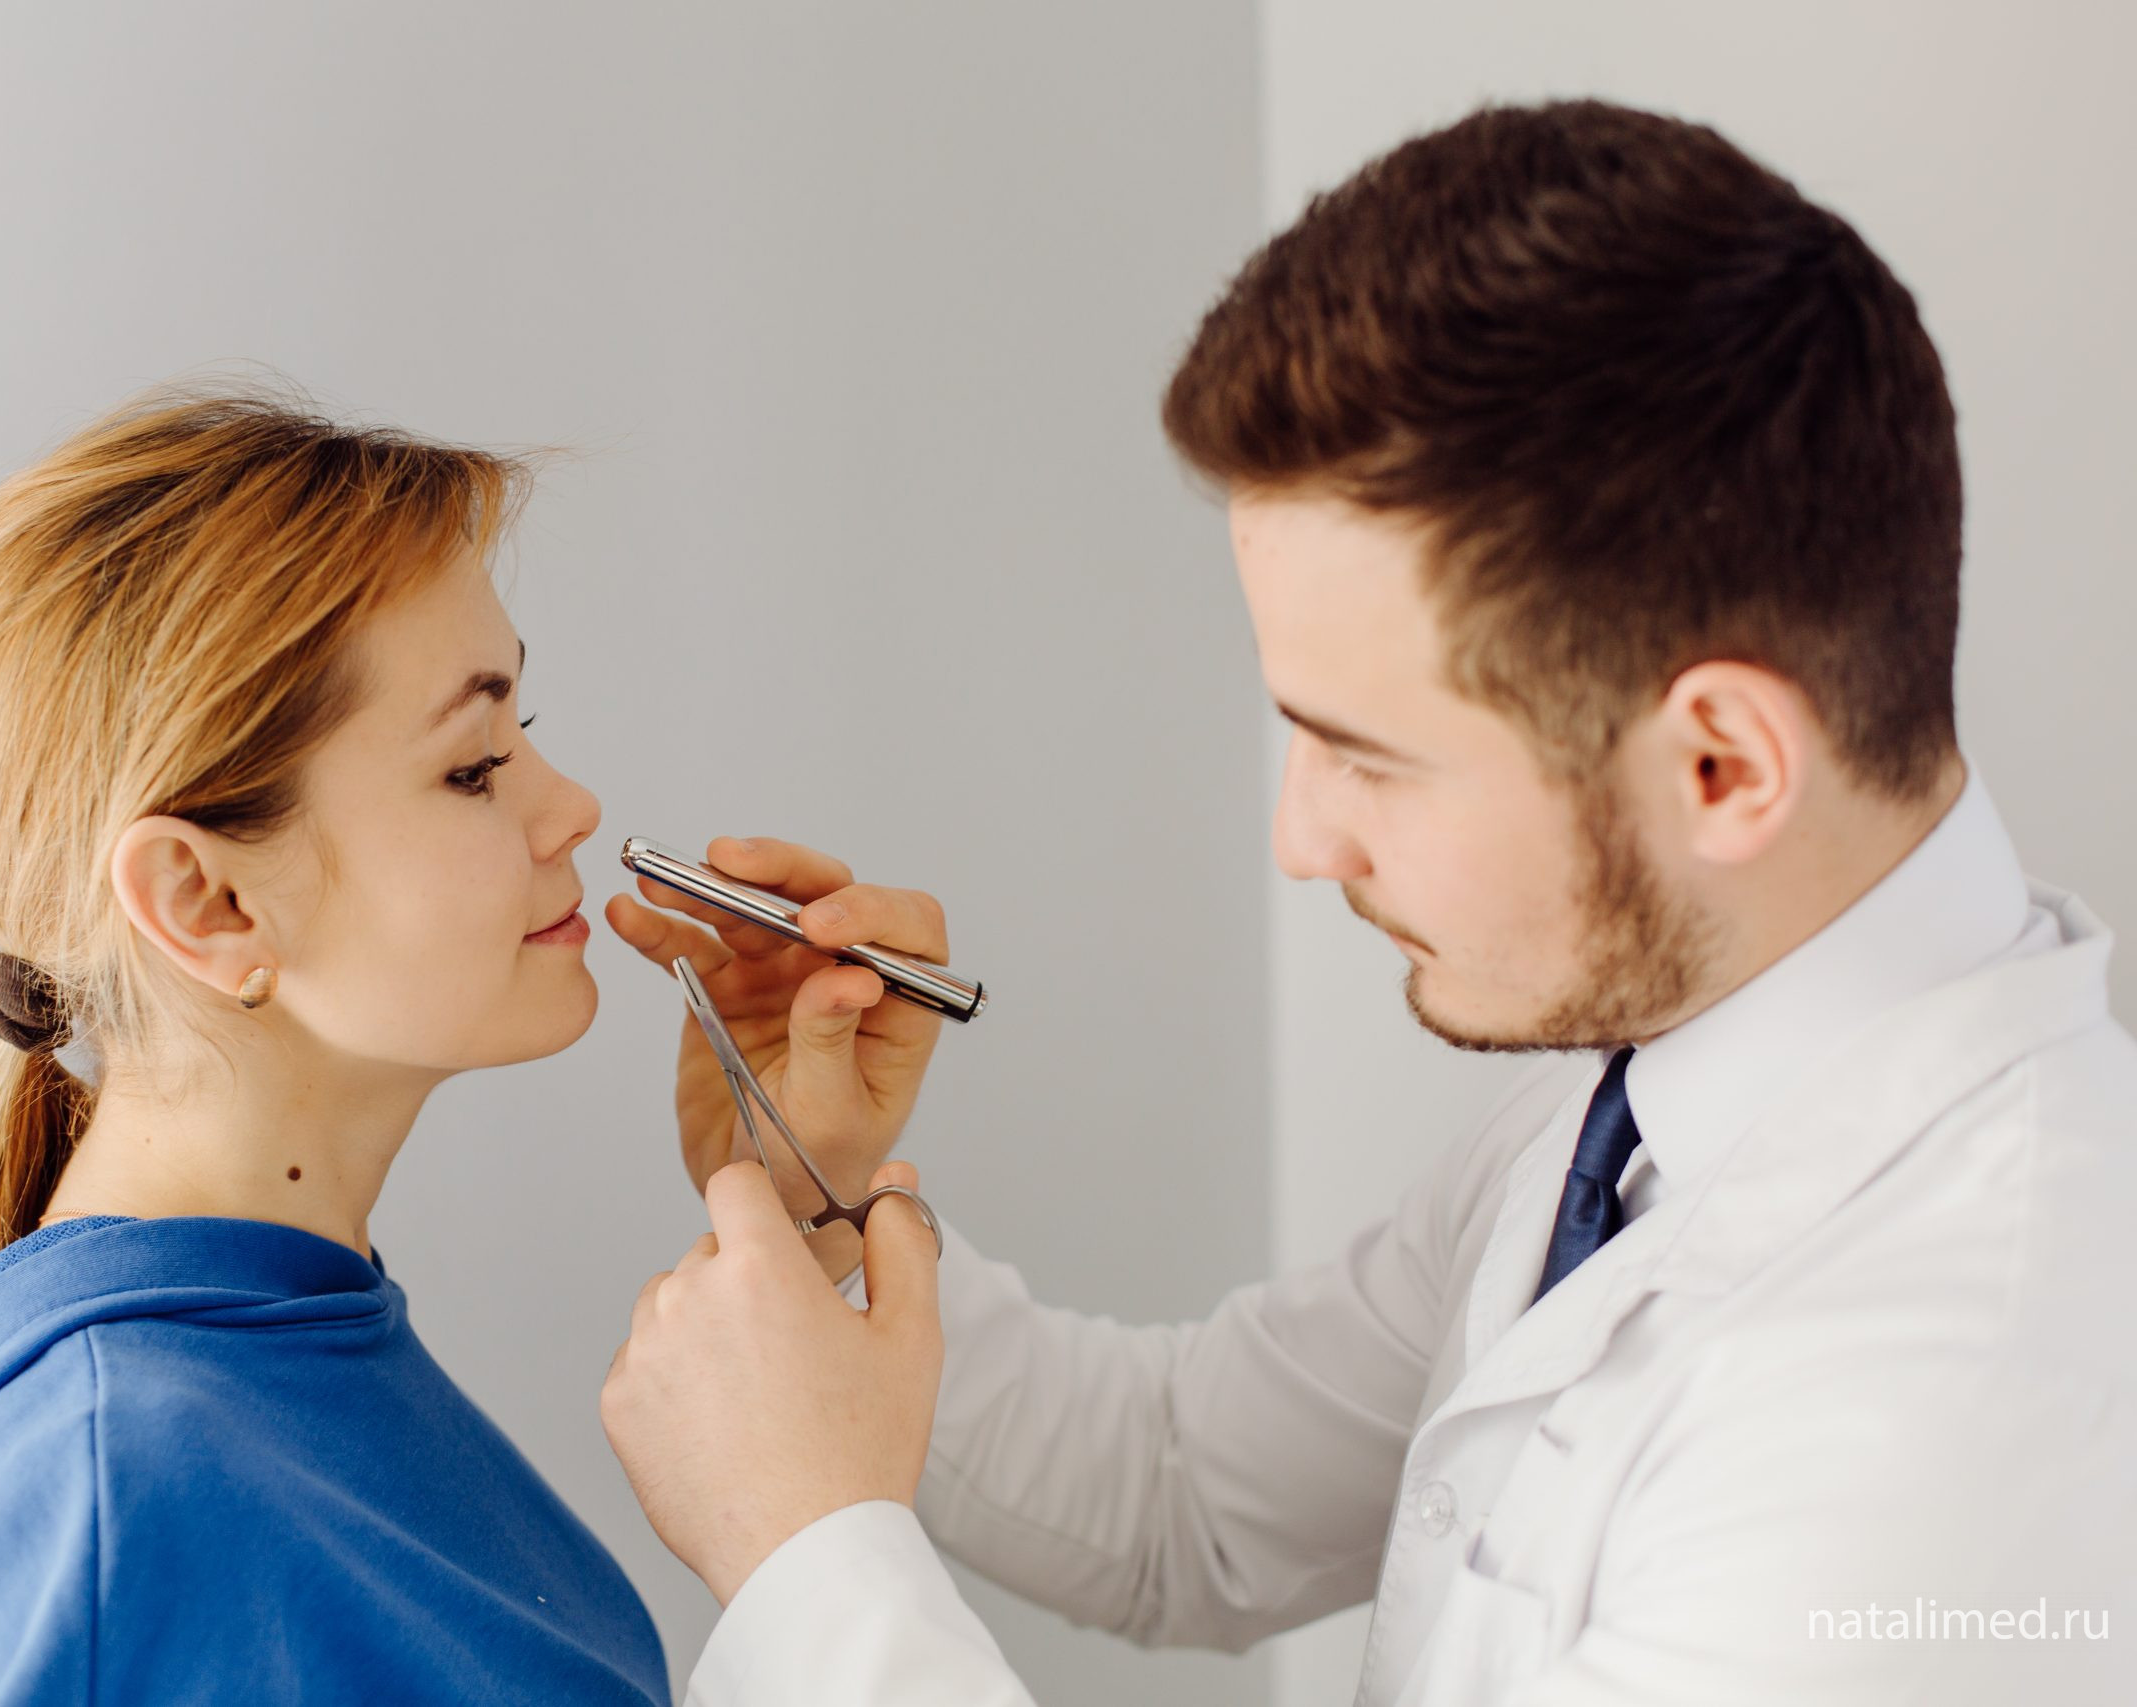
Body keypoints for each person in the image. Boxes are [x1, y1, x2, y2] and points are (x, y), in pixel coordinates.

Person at [597, 100, 2137, 1704]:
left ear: (1723, 767)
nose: (1301, 840)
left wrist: (811, 1565)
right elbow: (1186, 1492)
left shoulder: (1956, 1411)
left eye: (1368, 757)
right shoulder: (1654, 1087)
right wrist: (824, 1198)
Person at [0, 386, 698, 1704]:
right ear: (208, 902)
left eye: (525, 732)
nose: (571, 806)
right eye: (474, 765)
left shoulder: (264, 1360)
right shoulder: (119, 1496)